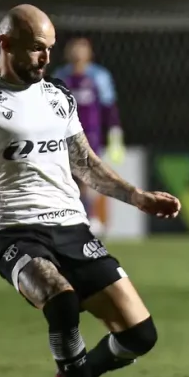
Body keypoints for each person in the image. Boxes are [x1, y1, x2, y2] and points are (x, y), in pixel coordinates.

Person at [0, 4, 181, 377]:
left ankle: (79, 373)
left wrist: (139, 198)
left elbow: (86, 165)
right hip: (14, 231)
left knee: (141, 335)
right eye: (37, 49)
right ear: (6, 44)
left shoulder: (58, 96)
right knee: (61, 301)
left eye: (50, 49)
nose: (46, 59)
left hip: (72, 227)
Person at [51, 37, 124, 237]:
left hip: (90, 135)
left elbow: (109, 107)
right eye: (73, 49)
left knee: (88, 176)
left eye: (81, 49)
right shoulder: (60, 77)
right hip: (62, 136)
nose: (77, 53)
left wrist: (115, 134)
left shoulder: (99, 76)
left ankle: (93, 218)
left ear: (89, 53)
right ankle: (75, 218)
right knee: (67, 178)